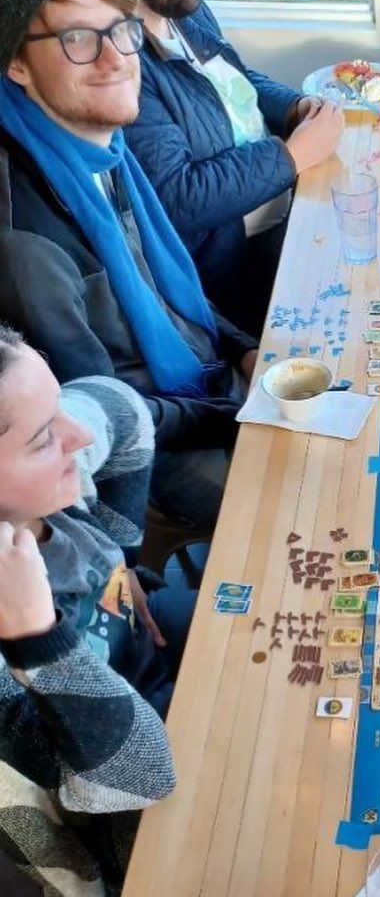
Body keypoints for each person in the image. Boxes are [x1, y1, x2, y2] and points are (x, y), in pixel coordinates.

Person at [0, 0, 255, 531]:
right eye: (78, 39)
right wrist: (238, 413)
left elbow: (171, 298)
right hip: (148, 452)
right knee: (315, 503)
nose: (116, 58)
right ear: (17, 65)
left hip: (201, 389)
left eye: (121, 30)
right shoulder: (23, 245)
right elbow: (104, 414)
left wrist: (247, 354)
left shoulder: (101, 151)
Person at [65, 0, 345, 337]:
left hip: (288, 207)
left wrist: (295, 109)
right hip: (244, 272)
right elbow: (177, 197)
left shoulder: (176, 1)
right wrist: (292, 155)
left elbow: (231, 82)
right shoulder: (117, 62)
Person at [0, 325, 179, 891]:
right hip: (132, 804)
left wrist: (123, 559)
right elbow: (139, 777)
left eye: (58, 409)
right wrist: (37, 640)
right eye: (42, 439)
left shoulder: (47, 494)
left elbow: (119, 405)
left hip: (164, 676)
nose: (75, 436)